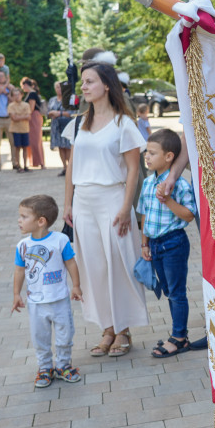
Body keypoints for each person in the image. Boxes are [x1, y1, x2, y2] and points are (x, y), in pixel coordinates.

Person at [62, 61, 148, 359]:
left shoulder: (124, 123)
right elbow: (72, 165)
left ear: (107, 85)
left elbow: (134, 170)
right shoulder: (78, 123)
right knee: (94, 268)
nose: (83, 86)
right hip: (83, 202)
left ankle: (124, 330)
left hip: (113, 199)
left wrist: (127, 208)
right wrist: (67, 202)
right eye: (83, 82)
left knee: (119, 264)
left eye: (90, 81)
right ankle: (107, 328)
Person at [137, 129, 203, 356]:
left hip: (174, 243)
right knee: (167, 290)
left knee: (176, 293)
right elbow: (144, 214)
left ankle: (179, 337)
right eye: (146, 152)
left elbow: (189, 215)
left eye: (152, 153)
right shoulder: (147, 183)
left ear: (169, 157)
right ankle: (177, 333)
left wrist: (168, 200)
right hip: (155, 245)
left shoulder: (181, 185)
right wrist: (144, 244)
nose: (147, 156)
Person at [12, 194, 83, 388]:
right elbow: (19, 271)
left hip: (60, 300)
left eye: (24, 216)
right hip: (36, 303)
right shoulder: (23, 246)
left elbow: (71, 263)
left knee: (65, 335)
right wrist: (16, 294)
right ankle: (44, 368)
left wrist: (76, 286)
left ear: (41, 221)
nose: (19, 220)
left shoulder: (60, 240)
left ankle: (63, 366)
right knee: (40, 337)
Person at [47, 81, 73, 177]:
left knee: (68, 147)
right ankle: (64, 168)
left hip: (67, 125)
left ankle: (71, 168)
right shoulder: (52, 100)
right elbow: (48, 112)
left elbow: (73, 113)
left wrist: (59, 113)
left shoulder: (69, 99)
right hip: (56, 126)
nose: (59, 89)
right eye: (57, 87)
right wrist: (51, 113)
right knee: (60, 147)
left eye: (61, 87)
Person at [21, 78, 46, 170]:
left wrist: (22, 115)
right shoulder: (31, 93)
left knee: (35, 140)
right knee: (33, 140)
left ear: (25, 85)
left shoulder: (32, 94)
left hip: (33, 117)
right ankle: (35, 161)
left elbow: (31, 108)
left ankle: (40, 162)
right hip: (32, 117)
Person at [8, 87, 32, 173]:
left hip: (25, 129)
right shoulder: (11, 106)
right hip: (15, 130)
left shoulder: (26, 105)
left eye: (18, 94)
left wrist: (18, 116)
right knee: (17, 148)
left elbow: (29, 117)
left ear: (22, 95)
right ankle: (18, 165)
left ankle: (26, 165)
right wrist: (23, 116)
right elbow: (13, 118)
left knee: (25, 147)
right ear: (12, 97)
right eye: (14, 95)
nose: (17, 96)